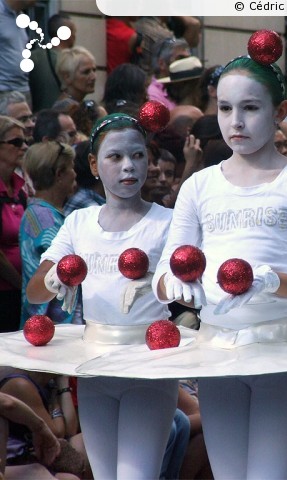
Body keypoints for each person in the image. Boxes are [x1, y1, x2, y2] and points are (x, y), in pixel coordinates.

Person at [152, 37, 287, 479]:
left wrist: (273, 280)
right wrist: (177, 284)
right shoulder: (199, 186)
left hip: (279, 351)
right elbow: (162, 276)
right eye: (224, 108)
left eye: (250, 108)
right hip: (216, 349)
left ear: (281, 111)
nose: (235, 121)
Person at [25, 112, 179, 478]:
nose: (129, 166)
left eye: (138, 155)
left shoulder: (167, 222)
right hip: (96, 369)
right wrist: (57, 279)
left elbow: (192, 294)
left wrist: (160, 281)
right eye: (115, 157)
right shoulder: (79, 223)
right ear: (94, 164)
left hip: (149, 367)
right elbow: (34, 292)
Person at [20, 141, 76, 327]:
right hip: (52, 323)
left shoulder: (42, 211)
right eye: (71, 168)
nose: (75, 174)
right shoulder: (44, 218)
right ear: (59, 174)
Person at [0, 116, 28, 333]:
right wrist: (22, 285)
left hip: (19, 293)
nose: (24, 147)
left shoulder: (20, 189)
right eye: (16, 142)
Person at [0, 390, 61, 479]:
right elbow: (8, 404)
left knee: (37, 471)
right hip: (14, 458)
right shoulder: (19, 383)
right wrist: (40, 428)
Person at [30, 13, 76, 112]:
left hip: (37, 118)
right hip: (63, 118)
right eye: (73, 31)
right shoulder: (73, 62)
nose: (75, 36)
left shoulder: (33, 57)